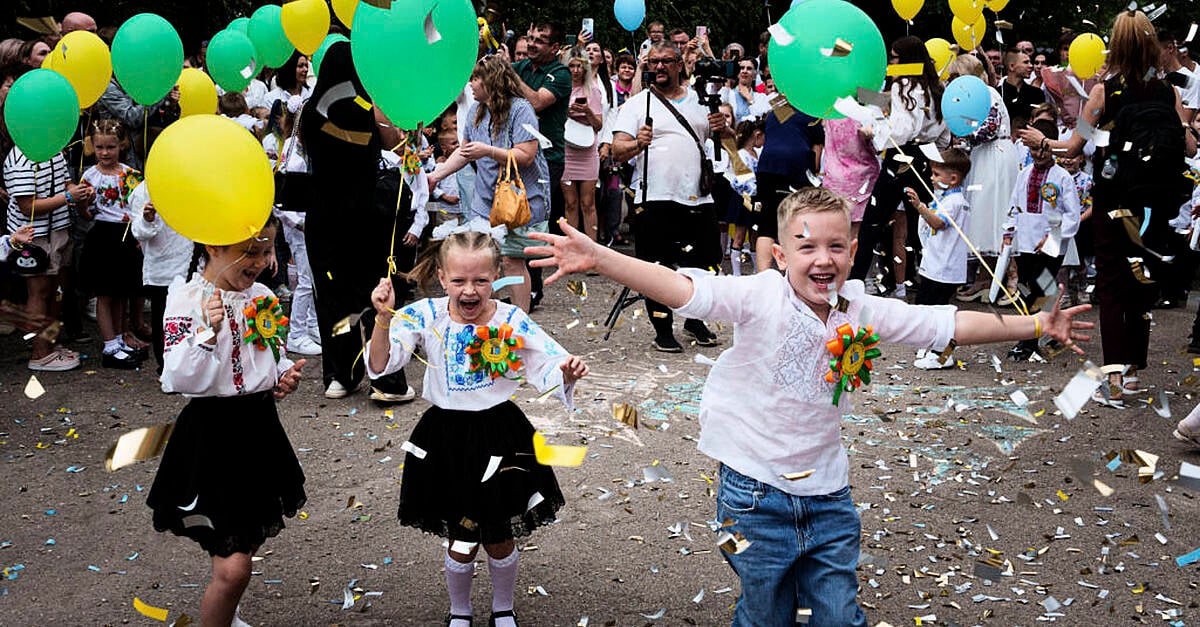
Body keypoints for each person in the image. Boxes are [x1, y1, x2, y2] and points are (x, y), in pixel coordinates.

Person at [526, 187, 1093, 627]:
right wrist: (601, 256)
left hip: (828, 498)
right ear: (777, 254)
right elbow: (682, 289)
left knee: (838, 615)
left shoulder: (861, 307)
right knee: (767, 613)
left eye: (837, 246)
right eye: (807, 246)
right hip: (751, 499)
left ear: (852, 250)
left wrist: (1038, 321)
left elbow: (944, 324)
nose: (823, 259)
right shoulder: (760, 295)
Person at [366, 229, 587, 627]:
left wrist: (566, 372)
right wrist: (383, 320)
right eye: (459, 281)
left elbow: (547, 362)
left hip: (501, 435)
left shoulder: (510, 318)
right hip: (445, 438)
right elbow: (383, 365)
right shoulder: (424, 315)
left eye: (481, 280)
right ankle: (460, 611)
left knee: (500, 534)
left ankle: (503, 608)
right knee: (462, 535)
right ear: (440, 276)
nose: (470, 290)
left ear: (497, 274)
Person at [1019, 8, 1197, 403]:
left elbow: (1076, 145)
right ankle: (1133, 373)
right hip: (1155, 206)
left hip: (1114, 202)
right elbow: (1188, 147)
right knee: (1140, 286)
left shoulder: (1104, 93)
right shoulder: (1169, 92)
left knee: (1114, 290)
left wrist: (1042, 142)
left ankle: (1116, 379)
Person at [147, 215, 306, 627]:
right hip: (213, 436)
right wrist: (207, 331)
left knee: (243, 545)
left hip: (258, 429)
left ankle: (226, 612)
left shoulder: (261, 295)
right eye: (248, 251)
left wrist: (281, 374)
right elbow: (177, 379)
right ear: (213, 247)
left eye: (267, 250)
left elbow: (264, 356)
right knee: (234, 567)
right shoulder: (186, 298)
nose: (259, 260)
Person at [300, 40, 413, 402]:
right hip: (365, 212)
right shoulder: (366, 105)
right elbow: (395, 143)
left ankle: (340, 376)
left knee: (332, 296)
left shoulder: (311, 111)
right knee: (376, 292)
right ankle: (387, 380)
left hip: (323, 214)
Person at [612, 41, 728, 352]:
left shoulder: (701, 101)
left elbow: (727, 141)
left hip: (698, 198)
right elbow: (616, 151)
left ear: (680, 65)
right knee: (656, 267)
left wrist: (723, 127)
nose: (660, 66)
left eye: (666, 61)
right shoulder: (637, 104)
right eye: (654, 62)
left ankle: (695, 319)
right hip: (654, 197)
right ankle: (662, 329)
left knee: (705, 263)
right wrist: (638, 143)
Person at [428, 54, 550, 312]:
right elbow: (464, 152)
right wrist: (435, 176)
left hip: (517, 202)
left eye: (475, 78)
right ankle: (484, 316)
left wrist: (488, 151)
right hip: (486, 203)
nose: (470, 84)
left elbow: (526, 156)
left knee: (512, 260)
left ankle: (520, 317)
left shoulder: (521, 109)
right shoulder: (475, 110)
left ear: (492, 80)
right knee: (484, 261)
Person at [855, 36, 948, 298]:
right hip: (928, 157)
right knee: (922, 224)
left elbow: (902, 129)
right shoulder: (935, 87)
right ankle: (932, 284)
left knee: (873, 222)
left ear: (905, 60)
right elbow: (940, 131)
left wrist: (875, 133)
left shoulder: (904, 85)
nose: (891, 63)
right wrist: (861, 94)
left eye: (894, 58)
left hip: (902, 156)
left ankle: (855, 280)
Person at [3, 138, 94, 371]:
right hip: (33, 237)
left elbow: (65, 184)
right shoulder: (20, 158)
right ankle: (40, 353)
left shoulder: (52, 148)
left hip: (58, 230)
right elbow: (27, 206)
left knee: (55, 290)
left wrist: (80, 191)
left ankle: (49, 343)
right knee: (39, 292)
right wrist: (68, 198)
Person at [1005, 119, 1082, 361]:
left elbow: (1072, 215)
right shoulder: (1024, 174)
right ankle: (1040, 331)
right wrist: (1008, 232)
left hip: (1052, 246)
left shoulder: (1062, 178)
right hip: (1027, 242)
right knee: (1029, 288)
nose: (1036, 154)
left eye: (1040, 148)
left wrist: (1053, 237)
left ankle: (1029, 342)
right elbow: (1014, 206)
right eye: (1032, 149)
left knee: (1042, 291)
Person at [946, 54, 1020, 302]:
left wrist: (963, 137)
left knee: (998, 213)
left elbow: (988, 129)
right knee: (982, 214)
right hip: (981, 158)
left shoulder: (988, 93)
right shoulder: (971, 98)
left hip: (995, 156)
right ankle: (986, 277)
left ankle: (1011, 279)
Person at [79, 119, 147, 369]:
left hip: (127, 235)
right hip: (103, 237)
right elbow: (86, 214)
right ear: (92, 147)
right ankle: (109, 345)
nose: (105, 153)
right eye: (100, 148)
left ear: (122, 145)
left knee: (121, 292)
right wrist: (80, 202)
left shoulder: (130, 175)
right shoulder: (90, 176)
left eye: (110, 147)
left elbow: (138, 207)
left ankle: (119, 339)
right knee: (105, 294)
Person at [513, 22, 571, 306]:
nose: (532, 43)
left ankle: (534, 287)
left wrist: (508, 75)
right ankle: (518, 283)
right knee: (514, 217)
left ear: (555, 48)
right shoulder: (521, 67)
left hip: (547, 159)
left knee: (535, 220)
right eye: (530, 37)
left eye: (540, 40)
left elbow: (535, 102)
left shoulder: (561, 74)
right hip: (519, 152)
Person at [906, 148, 971, 370]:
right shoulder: (943, 197)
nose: (931, 178)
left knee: (939, 311)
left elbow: (938, 223)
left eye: (936, 174)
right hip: (934, 264)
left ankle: (943, 354)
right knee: (925, 307)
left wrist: (919, 207)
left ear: (952, 178)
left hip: (945, 268)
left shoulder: (955, 202)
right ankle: (931, 345)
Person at [129, 183, 191, 375]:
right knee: (165, 319)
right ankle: (166, 369)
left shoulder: (193, 181)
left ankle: (190, 367)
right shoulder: (145, 190)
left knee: (191, 318)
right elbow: (138, 232)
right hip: (164, 268)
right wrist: (148, 219)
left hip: (193, 261)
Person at [560, 48, 603, 241]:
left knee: (588, 202)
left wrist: (587, 112)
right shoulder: (560, 89)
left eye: (580, 66)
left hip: (587, 151)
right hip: (566, 150)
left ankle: (592, 249)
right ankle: (572, 247)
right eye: (572, 66)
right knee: (570, 203)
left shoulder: (592, 90)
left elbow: (599, 124)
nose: (576, 70)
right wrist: (566, 110)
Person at [1000, 50, 1045, 130]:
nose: (1031, 66)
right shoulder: (998, 94)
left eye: (1030, 62)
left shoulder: (1037, 94)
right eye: (1026, 62)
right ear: (1012, 66)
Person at [719, 57, 770, 122]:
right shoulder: (728, 94)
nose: (744, 71)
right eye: (741, 68)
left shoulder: (762, 97)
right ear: (737, 73)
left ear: (754, 75)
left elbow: (761, 119)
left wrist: (750, 99)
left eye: (749, 68)